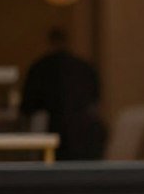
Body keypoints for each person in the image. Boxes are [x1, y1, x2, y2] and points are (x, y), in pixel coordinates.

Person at [20, 26, 106, 160]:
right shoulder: (84, 66)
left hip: (53, 137)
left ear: (50, 42)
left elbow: (27, 107)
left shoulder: (40, 67)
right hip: (87, 143)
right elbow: (95, 100)